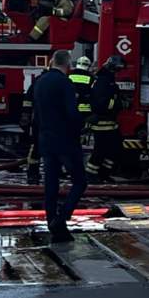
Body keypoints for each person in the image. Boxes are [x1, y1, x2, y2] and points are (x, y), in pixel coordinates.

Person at [33, 50, 88, 243]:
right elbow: (72, 113)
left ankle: (52, 222)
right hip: (65, 140)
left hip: (46, 140)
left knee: (51, 184)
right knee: (80, 181)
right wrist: (81, 126)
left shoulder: (40, 81)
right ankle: (62, 218)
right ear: (68, 65)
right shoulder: (65, 83)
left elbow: (36, 115)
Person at [86, 55, 125, 182]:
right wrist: (119, 103)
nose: (117, 72)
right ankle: (91, 175)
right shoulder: (103, 80)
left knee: (115, 148)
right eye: (117, 69)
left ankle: (104, 173)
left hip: (109, 121)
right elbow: (102, 102)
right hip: (102, 122)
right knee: (100, 150)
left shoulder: (107, 78)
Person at [20, 75, 41, 185]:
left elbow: (28, 100)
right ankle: (33, 173)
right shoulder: (63, 81)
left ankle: (33, 173)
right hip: (49, 123)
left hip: (38, 121)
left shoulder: (39, 80)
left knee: (36, 147)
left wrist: (25, 115)